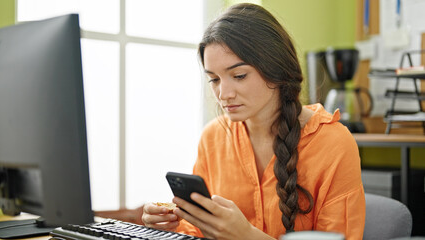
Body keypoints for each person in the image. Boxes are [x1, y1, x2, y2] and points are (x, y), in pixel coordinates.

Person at [141, 3, 365, 240]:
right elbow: (199, 231)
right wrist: (169, 228)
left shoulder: (334, 143)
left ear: (276, 69)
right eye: (214, 80)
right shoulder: (213, 138)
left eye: (239, 76)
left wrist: (246, 235)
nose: (223, 94)